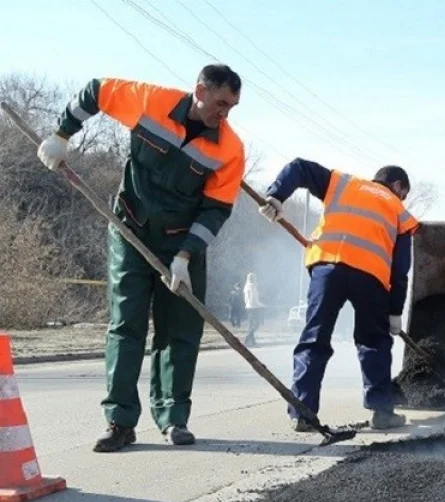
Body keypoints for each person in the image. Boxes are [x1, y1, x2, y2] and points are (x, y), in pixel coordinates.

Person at [36, 65, 246, 452]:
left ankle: (173, 419)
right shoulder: (152, 102)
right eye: (221, 103)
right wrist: (62, 134)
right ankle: (119, 422)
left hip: (182, 246)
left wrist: (185, 256)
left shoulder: (229, 149)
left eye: (232, 107)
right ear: (200, 90)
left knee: (180, 332)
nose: (225, 114)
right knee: (126, 325)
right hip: (130, 230)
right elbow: (96, 90)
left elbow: (216, 210)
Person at [258, 159, 419, 432]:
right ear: (397, 186)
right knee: (374, 342)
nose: (402, 198)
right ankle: (382, 412)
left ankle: (302, 413)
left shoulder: (344, 183)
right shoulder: (398, 210)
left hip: (327, 269)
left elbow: (299, 167)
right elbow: (400, 269)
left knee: (314, 339)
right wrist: (394, 311)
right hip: (371, 277)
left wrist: (276, 196)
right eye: (404, 194)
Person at [243, 272, 264, 346]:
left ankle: (252, 341)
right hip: (254, 307)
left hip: (248, 307)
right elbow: (253, 298)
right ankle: (247, 339)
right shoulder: (252, 286)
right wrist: (260, 305)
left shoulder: (246, 286)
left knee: (251, 325)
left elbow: (246, 299)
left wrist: (247, 304)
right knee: (256, 324)